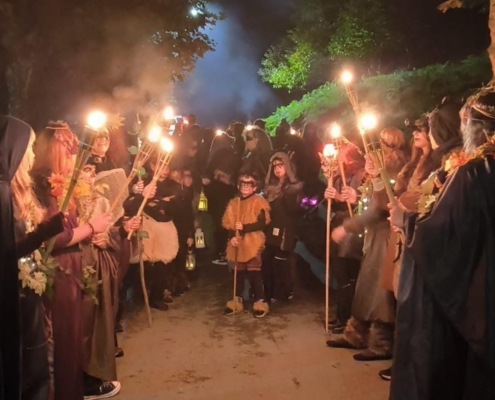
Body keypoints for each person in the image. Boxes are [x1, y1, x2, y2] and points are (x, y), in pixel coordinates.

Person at [32, 121, 111, 400]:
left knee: (73, 336)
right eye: (68, 150)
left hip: (72, 264)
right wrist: (91, 228)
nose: (72, 156)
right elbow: (54, 238)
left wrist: (94, 232)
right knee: (63, 337)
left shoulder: (66, 184)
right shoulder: (46, 185)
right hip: (60, 268)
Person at [326, 128, 408, 360]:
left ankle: (382, 343)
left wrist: (347, 227)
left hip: (385, 240)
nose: (373, 150)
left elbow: (378, 208)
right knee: (365, 288)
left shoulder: (392, 171)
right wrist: (353, 197)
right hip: (373, 239)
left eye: (379, 145)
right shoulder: (379, 171)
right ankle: (356, 334)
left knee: (379, 294)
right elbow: (367, 202)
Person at [77, 161, 141, 399]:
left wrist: (122, 230)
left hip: (98, 268)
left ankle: (94, 375)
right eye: (86, 170)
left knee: (99, 322)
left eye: (93, 170)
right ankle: (84, 380)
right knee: (83, 326)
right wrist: (88, 234)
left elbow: (108, 231)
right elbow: (67, 235)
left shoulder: (100, 200)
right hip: (80, 269)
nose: (91, 174)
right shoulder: (69, 201)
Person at [222, 172, 271, 318]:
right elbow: (229, 224)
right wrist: (232, 237)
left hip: (253, 242)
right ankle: (236, 300)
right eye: (243, 183)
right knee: (238, 273)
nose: (246, 186)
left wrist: (244, 227)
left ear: (254, 187)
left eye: (249, 184)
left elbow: (261, 223)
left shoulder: (258, 202)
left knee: (254, 272)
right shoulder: (233, 203)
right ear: (238, 186)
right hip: (238, 242)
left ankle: (260, 301)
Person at [262, 152, 303, 302]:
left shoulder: (292, 188)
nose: (277, 169)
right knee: (268, 261)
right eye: (275, 166)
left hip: (285, 229)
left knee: (281, 261)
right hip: (270, 229)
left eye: (281, 165)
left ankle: (283, 292)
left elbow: (293, 210)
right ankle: (270, 292)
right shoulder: (270, 188)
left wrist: (290, 193)